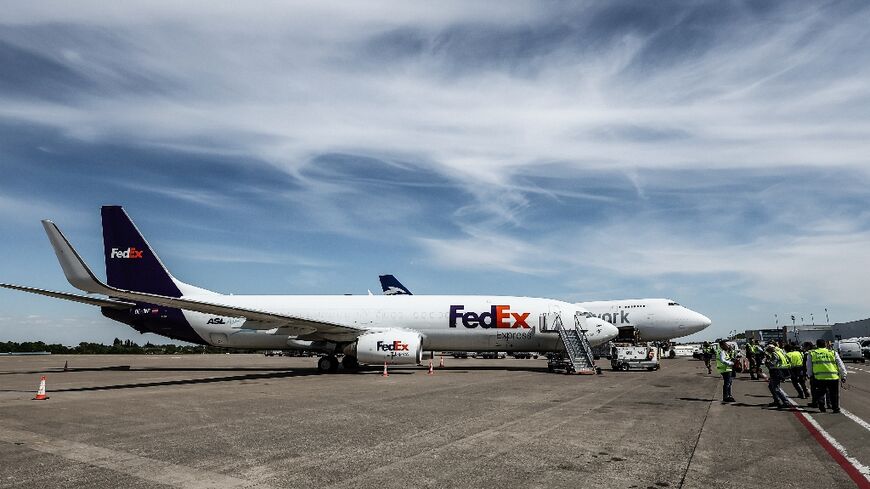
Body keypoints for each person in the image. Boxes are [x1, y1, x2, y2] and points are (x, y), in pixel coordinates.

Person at [806, 339, 847, 413]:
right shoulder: (832, 352)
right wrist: (844, 375)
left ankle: (821, 406)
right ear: (825, 344)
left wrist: (810, 375)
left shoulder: (812, 353)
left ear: (817, 345)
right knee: (834, 394)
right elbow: (840, 364)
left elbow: (809, 366)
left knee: (820, 392)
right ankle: (835, 408)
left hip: (819, 377)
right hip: (833, 377)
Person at [765, 343, 790, 409]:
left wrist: (767, 361)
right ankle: (776, 400)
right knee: (771, 386)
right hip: (780, 370)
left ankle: (786, 402)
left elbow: (773, 363)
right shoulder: (780, 352)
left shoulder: (774, 354)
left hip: (776, 371)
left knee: (776, 388)